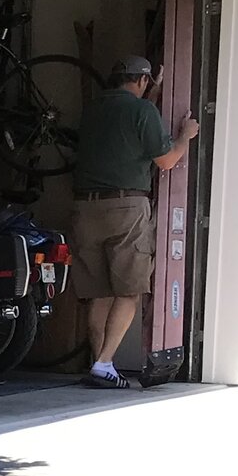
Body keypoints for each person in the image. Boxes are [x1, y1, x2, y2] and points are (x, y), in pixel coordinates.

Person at [70, 55, 197, 389]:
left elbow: (127, 126)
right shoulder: (143, 111)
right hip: (126, 208)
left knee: (98, 294)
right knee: (130, 289)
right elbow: (167, 160)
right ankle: (104, 363)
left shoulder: (93, 110)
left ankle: (100, 364)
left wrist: (153, 92)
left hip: (85, 208)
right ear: (141, 81)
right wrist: (186, 135)